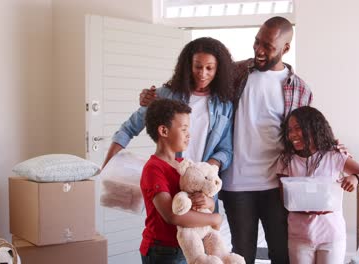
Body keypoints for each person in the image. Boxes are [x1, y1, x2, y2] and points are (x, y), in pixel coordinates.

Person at [219, 16, 313, 264]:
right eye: (257, 42)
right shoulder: (236, 73)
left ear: (285, 49)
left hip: (278, 185)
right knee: (242, 254)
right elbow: (199, 85)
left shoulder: (301, 89)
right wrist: (158, 94)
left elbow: (309, 136)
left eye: (268, 47)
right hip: (236, 183)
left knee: (282, 254)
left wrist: (336, 151)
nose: (259, 51)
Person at [103, 37, 235, 174]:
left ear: (218, 69)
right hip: (167, 181)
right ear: (188, 66)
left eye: (210, 68)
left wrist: (206, 169)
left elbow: (226, 150)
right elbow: (128, 129)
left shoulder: (224, 106)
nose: (203, 74)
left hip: (202, 188)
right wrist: (105, 168)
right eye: (198, 67)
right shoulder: (164, 95)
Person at [277, 106, 359, 264]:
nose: (292, 135)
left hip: (331, 235)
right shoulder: (286, 160)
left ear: (314, 128)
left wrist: (355, 179)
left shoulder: (334, 156)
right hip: (299, 235)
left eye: (298, 128)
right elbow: (285, 199)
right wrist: (303, 202)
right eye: (289, 130)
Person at [140, 98, 222, 264]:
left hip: (186, 247)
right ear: (164, 131)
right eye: (184, 129)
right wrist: (214, 219)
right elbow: (172, 216)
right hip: (162, 251)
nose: (188, 134)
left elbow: (203, 202)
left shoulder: (182, 166)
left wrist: (208, 202)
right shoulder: (153, 169)